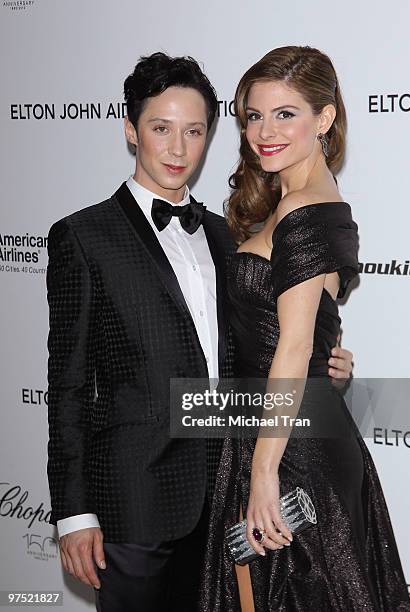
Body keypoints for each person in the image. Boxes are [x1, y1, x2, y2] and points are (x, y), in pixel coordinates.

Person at [46, 52, 355, 612]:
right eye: (160, 128)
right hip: (133, 500)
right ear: (129, 129)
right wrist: (73, 512)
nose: (178, 149)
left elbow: (268, 337)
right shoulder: (83, 237)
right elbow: (66, 386)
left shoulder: (226, 236)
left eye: (194, 131)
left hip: (224, 492)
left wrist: (323, 364)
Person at [200, 46, 410, 612]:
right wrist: (329, 365)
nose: (264, 132)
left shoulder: (302, 211)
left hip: (288, 448)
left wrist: (264, 473)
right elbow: (310, 330)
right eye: (253, 115)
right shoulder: (310, 203)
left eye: (285, 114)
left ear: (325, 118)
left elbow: (292, 348)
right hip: (289, 426)